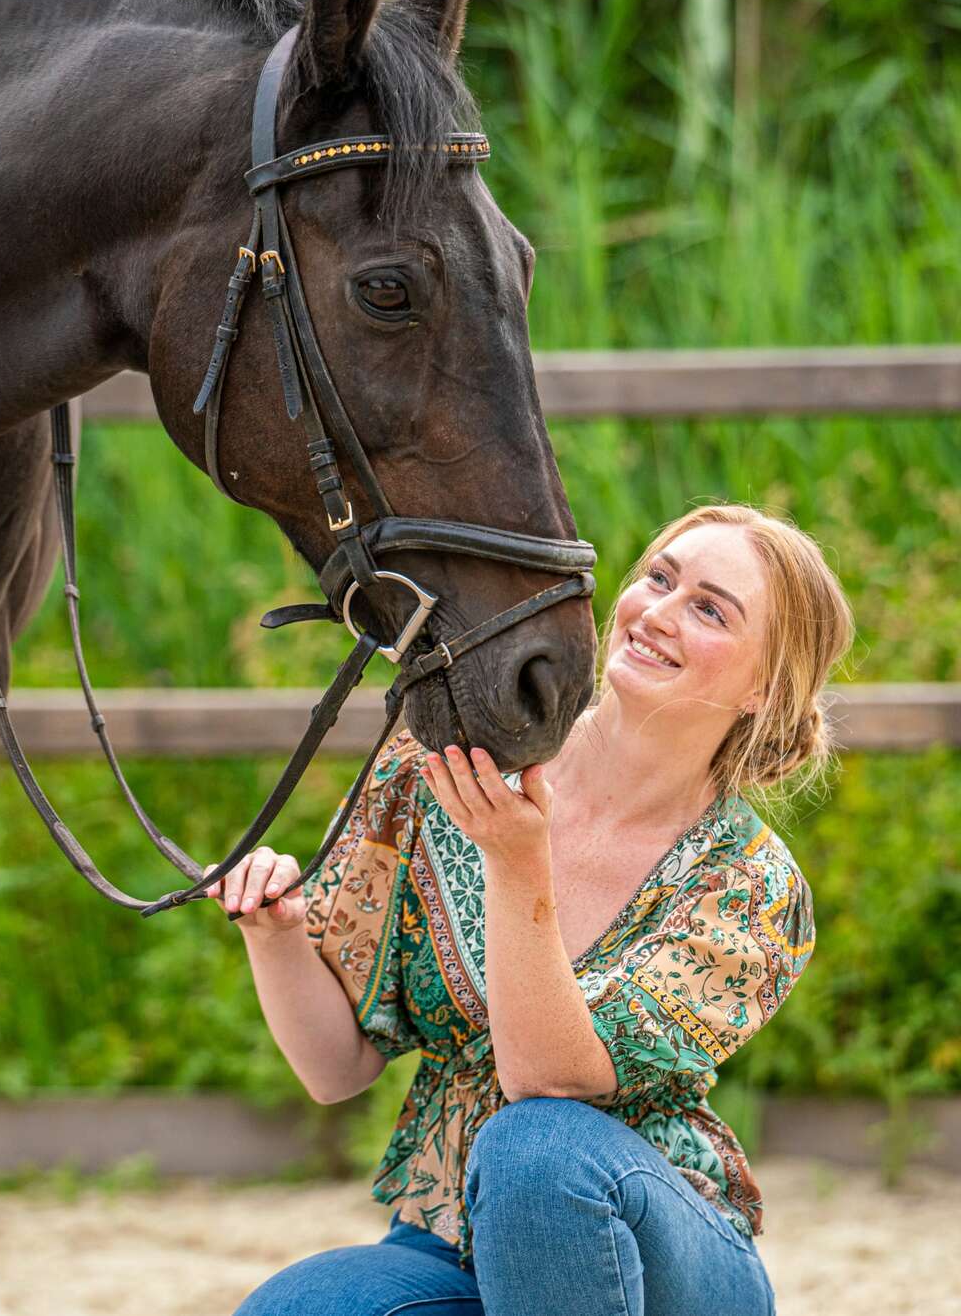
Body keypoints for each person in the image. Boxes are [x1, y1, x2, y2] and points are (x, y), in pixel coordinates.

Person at [208, 502, 854, 1316]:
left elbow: (548, 1079)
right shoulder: (444, 767)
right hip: (454, 1242)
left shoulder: (752, 884)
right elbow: (336, 1070)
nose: (658, 612)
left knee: (537, 1148)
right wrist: (276, 933)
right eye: (659, 578)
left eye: (709, 610)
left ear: (764, 689)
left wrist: (517, 863)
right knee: (296, 1309)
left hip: (660, 1263)